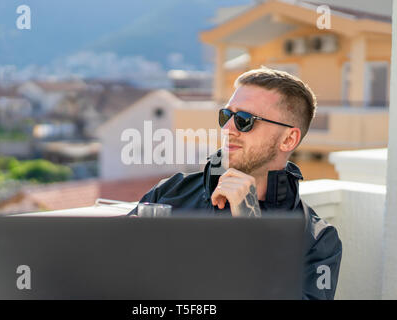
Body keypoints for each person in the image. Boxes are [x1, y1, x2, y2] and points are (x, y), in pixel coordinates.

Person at [129, 67, 342, 300]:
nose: (227, 128)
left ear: (288, 139)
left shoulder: (318, 240)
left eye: (244, 120)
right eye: (226, 115)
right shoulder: (172, 191)